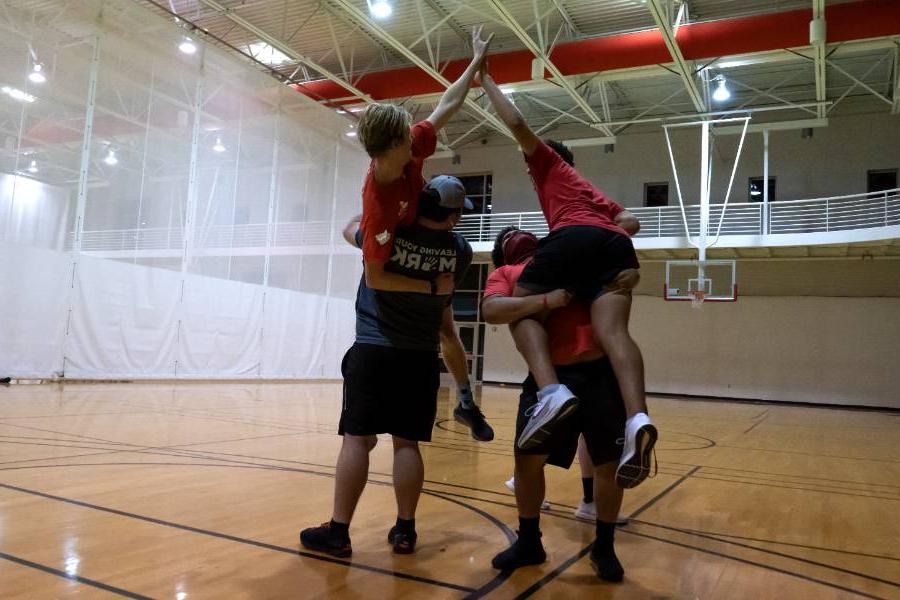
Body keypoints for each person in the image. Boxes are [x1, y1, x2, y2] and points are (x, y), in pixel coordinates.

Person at [479, 65, 656, 489]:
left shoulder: (549, 167)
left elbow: (517, 122)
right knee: (616, 334)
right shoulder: (593, 191)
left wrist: (486, 77)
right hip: (614, 245)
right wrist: (609, 257)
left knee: (521, 308)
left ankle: (550, 393)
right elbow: (630, 222)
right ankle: (638, 418)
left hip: (574, 235)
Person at [300, 177, 476, 557]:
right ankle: (405, 531)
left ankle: (339, 531)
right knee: (406, 444)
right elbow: (444, 312)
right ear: (454, 216)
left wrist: (380, 205)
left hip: (374, 350)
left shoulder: (388, 233)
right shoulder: (461, 251)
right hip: (419, 356)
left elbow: (348, 228)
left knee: (355, 440)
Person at [482, 226, 629, 581]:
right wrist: (545, 300)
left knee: (609, 463)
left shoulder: (569, 259)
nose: (519, 234)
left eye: (523, 230)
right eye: (510, 234)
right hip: (550, 375)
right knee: (527, 460)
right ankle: (529, 541)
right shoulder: (505, 274)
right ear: (503, 253)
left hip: (600, 373)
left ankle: (604, 546)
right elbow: (492, 309)